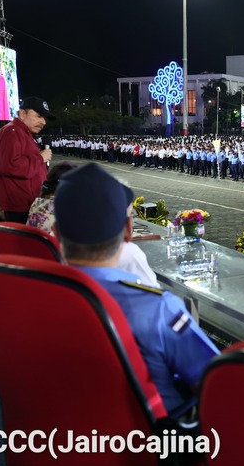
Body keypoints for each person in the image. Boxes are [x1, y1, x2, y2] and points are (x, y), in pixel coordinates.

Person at [53, 163, 219, 415]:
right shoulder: (157, 308)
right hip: (146, 443)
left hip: (55, 434)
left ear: (55, 233)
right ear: (129, 231)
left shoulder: (35, 296)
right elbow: (214, 380)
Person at [0, 96, 55, 223]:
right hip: (20, 206)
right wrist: (40, 157)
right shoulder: (12, 132)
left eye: (44, 118)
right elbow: (10, 166)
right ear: (22, 114)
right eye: (39, 116)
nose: (43, 122)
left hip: (28, 202)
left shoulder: (23, 133)